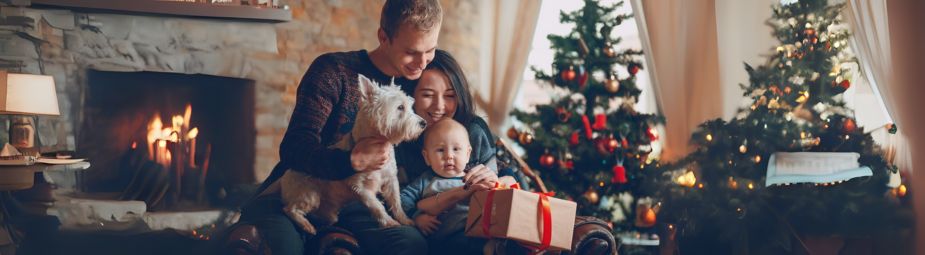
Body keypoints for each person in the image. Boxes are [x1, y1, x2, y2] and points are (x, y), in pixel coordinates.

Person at [232, 1, 469, 254]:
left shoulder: (418, 82)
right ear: (383, 37)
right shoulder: (332, 72)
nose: (422, 63)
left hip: (358, 203)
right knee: (285, 248)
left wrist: (494, 170)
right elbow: (294, 148)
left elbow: (456, 118)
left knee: (411, 244)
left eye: (430, 50)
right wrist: (351, 160)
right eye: (412, 51)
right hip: (299, 188)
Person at [399, 119, 517, 255]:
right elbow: (403, 199)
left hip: (480, 230)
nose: (449, 156)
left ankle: (496, 247)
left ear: (467, 154)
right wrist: (417, 217)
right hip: (446, 238)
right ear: (427, 157)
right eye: (440, 150)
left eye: (456, 149)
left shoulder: (474, 176)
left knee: (509, 240)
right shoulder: (425, 181)